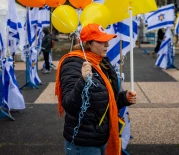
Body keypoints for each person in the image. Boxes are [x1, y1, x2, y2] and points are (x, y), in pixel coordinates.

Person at [55, 23, 137, 155]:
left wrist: (124, 97)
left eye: (107, 40)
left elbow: (105, 100)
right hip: (83, 144)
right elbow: (69, 105)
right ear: (88, 44)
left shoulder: (101, 62)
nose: (107, 45)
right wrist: (83, 81)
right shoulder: (73, 64)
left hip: (103, 137)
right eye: (101, 41)